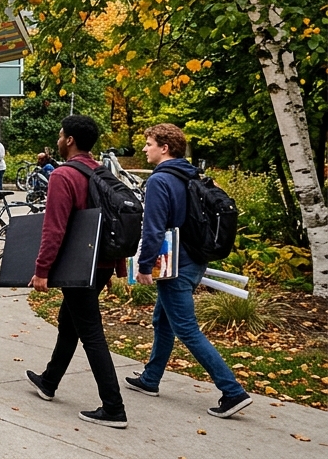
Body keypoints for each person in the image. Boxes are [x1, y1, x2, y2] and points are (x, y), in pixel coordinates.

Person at [124, 124, 252, 418]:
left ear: (164, 148)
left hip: (173, 265)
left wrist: (144, 266)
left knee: (186, 329)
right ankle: (150, 378)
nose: (145, 149)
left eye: (148, 143)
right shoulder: (190, 175)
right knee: (163, 320)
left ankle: (232, 392)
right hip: (194, 259)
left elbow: (154, 227)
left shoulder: (160, 181)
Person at [26, 115, 127, 428]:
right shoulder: (101, 172)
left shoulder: (64, 175)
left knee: (90, 332)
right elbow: (114, 220)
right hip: (100, 264)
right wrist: (115, 267)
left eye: (60, 134)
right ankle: (49, 380)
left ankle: (113, 407)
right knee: (69, 322)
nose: (58, 138)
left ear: (69, 140)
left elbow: (54, 228)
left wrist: (42, 270)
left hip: (77, 266)